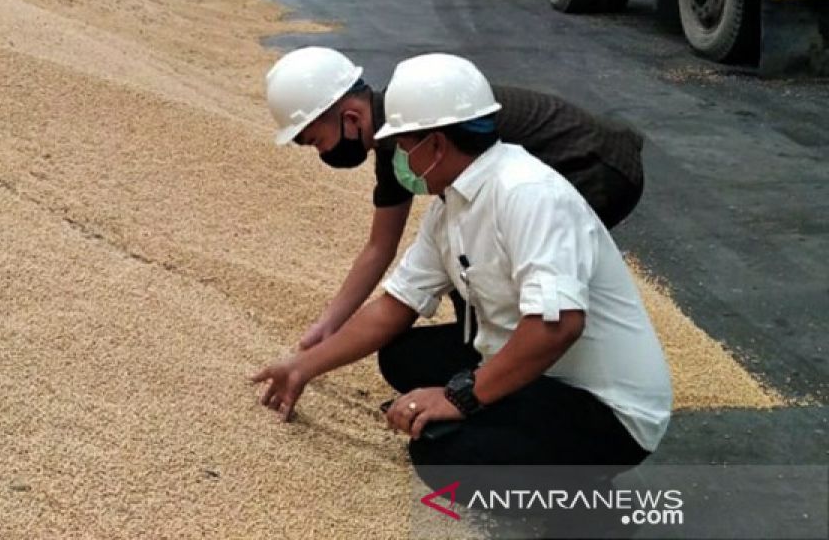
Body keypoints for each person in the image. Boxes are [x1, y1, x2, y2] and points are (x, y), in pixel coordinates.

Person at [252, 53, 672, 470]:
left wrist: (459, 396)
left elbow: (557, 324)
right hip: (547, 369)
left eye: (401, 147)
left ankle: (587, 503)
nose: (398, 162)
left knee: (443, 456)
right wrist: (303, 365)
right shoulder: (450, 205)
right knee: (401, 357)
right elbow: (394, 307)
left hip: (604, 405)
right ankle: (500, 390)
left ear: (435, 145)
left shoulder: (528, 192)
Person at [264, 46, 645, 350]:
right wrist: (331, 323)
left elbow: (442, 243)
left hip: (598, 167)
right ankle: (493, 359)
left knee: (502, 273)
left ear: (350, 118)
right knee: (475, 268)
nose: (322, 153)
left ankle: (514, 378)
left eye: (317, 140)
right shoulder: (395, 140)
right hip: (591, 156)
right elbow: (379, 247)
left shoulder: (408, 130)